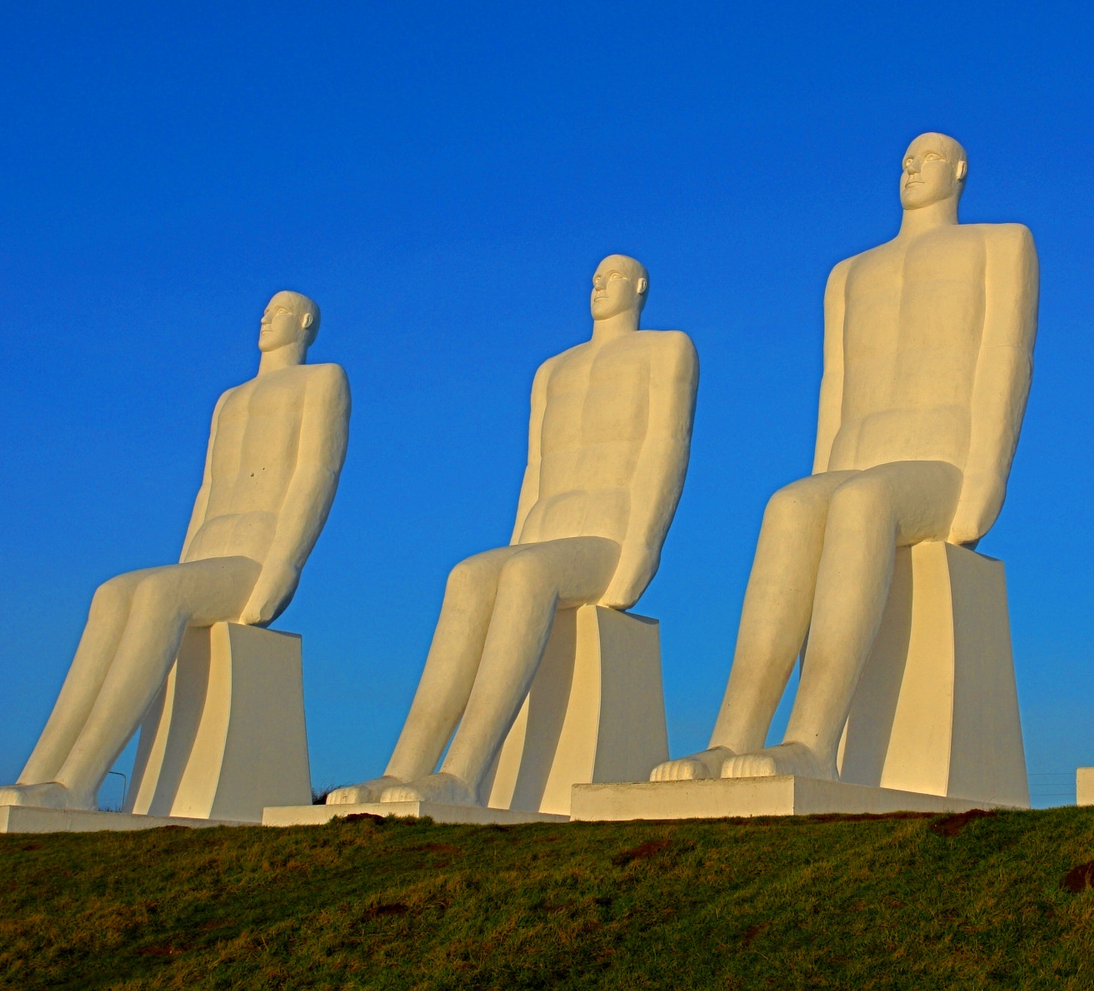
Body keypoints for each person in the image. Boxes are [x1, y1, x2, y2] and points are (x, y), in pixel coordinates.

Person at [654, 133, 1037, 783]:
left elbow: (1005, 358)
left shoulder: (1000, 244)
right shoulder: (851, 273)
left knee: (863, 500)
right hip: (855, 458)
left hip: (938, 465)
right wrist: (818, 477)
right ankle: (731, 737)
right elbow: (835, 390)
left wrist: (985, 479)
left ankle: (813, 739)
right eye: (906, 159)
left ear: (962, 170)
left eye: (930, 157)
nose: (912, 166)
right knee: (789, 505)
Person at [0, 291, 350, 810]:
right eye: (264, 309)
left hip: (252, 558)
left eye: (277, 311)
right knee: (114, 594)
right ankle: (37, 774)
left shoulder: (322, 381)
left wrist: (285, 565)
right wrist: (184, 561)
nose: (263, 316)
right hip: (207, 552)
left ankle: (78, 780)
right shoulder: (229, 400)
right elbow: (207, 490)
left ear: (304, 322)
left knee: (157, 598)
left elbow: (316, 475)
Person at [330, 254, 697, 806]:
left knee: (525, 574)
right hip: (543, 533)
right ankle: (402, 768)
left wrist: (644, 545)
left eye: (612, 277)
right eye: (593, 276)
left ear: (641, 286)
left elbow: (666, 449)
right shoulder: (553, 370)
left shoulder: (668, 349)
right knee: (469, 576)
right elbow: (536, 471)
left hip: (605, 537)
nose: (597, 285)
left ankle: (464, 771)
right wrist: (516, 538)